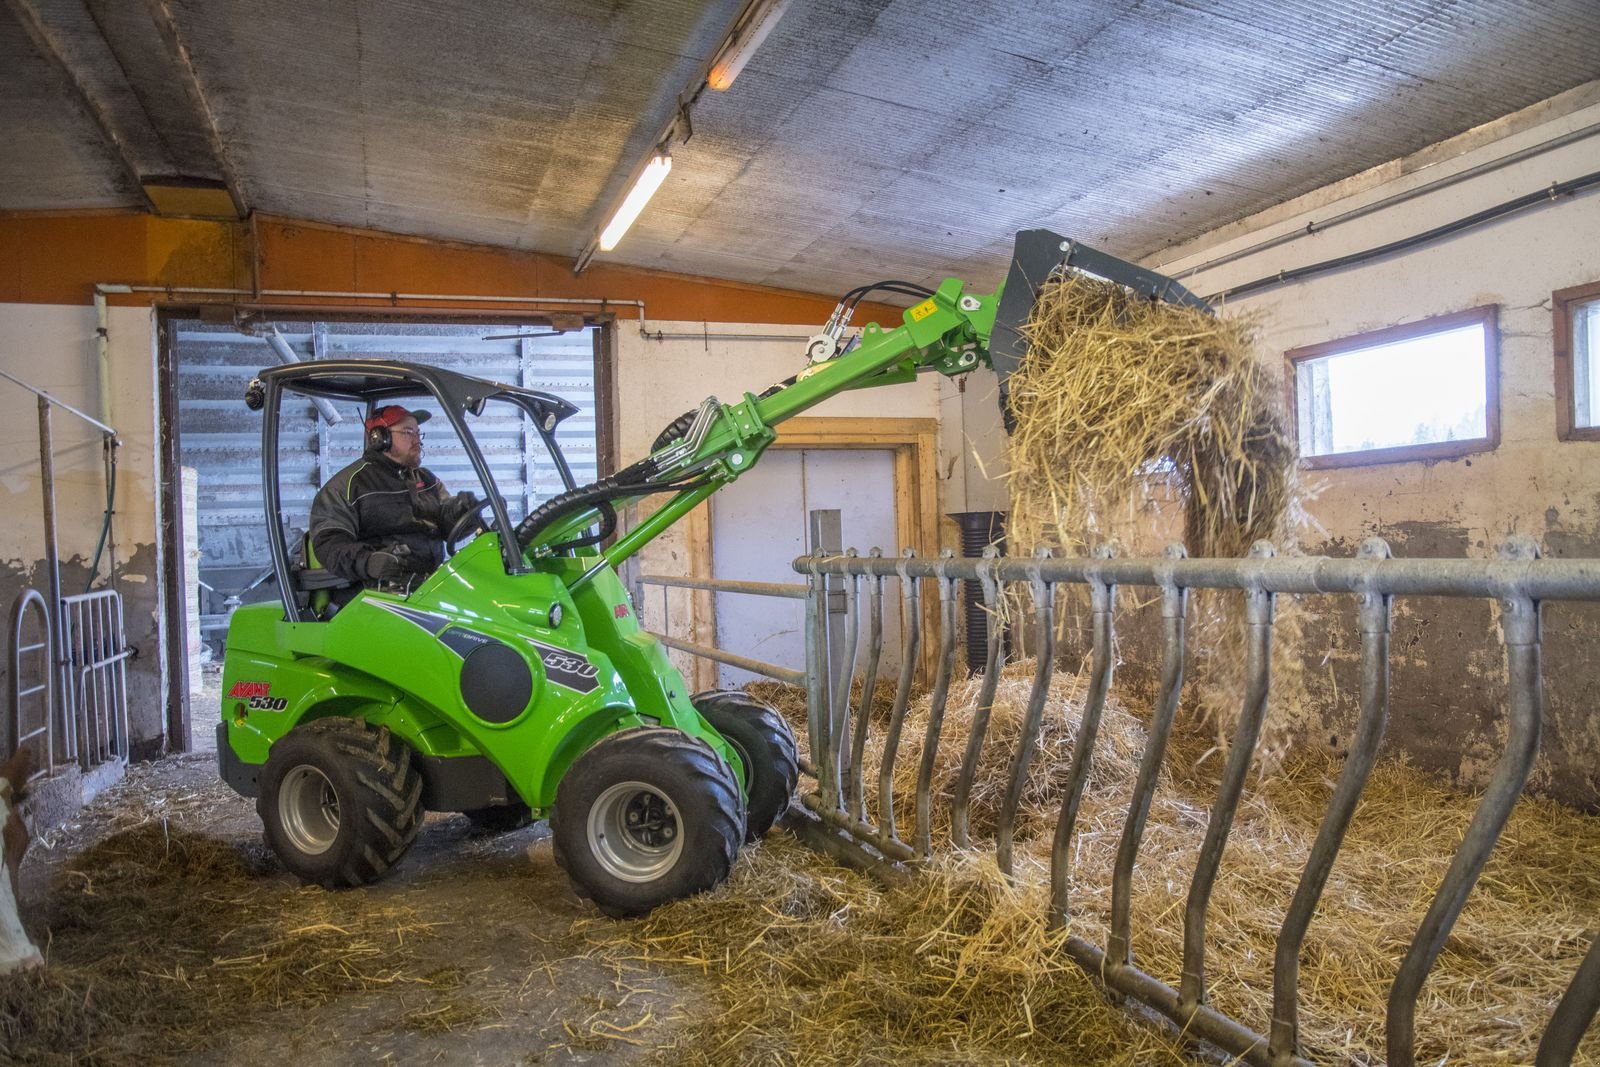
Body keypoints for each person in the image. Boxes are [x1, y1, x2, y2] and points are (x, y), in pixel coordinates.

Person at [308, 405, 477, 587]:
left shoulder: (426, 479)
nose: (417, 440)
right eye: (408, 432)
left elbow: (445, 529)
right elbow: (329, 545)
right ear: (380, 438)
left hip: (430, 582)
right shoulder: (348, 486)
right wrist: (369, 561)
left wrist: (462, 512)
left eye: (418, 433)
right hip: (379, 589)